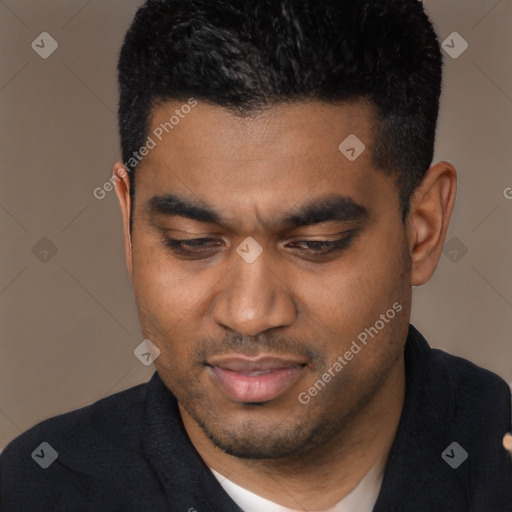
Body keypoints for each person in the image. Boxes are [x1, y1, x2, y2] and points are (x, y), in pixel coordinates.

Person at [1, 0, 511, 510]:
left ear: (422, 229)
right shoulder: (33, 492)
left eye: (315, 244)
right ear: (130, 224)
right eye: (190, 241)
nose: (249, 313)